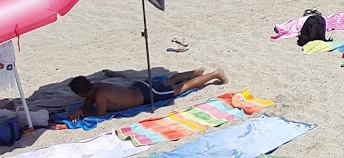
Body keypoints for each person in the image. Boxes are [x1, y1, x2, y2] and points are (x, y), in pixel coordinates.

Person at [67, 69, 227, 119]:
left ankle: (215, 74)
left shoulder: (100, 95)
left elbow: (100, 113)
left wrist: (85, 113)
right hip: (140, 87)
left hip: (147, 94)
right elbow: (86, 106)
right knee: (169, 81)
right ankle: (193, 72)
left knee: (181, 88)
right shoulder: (95, 87)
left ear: (79, 94)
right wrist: (81, 110)